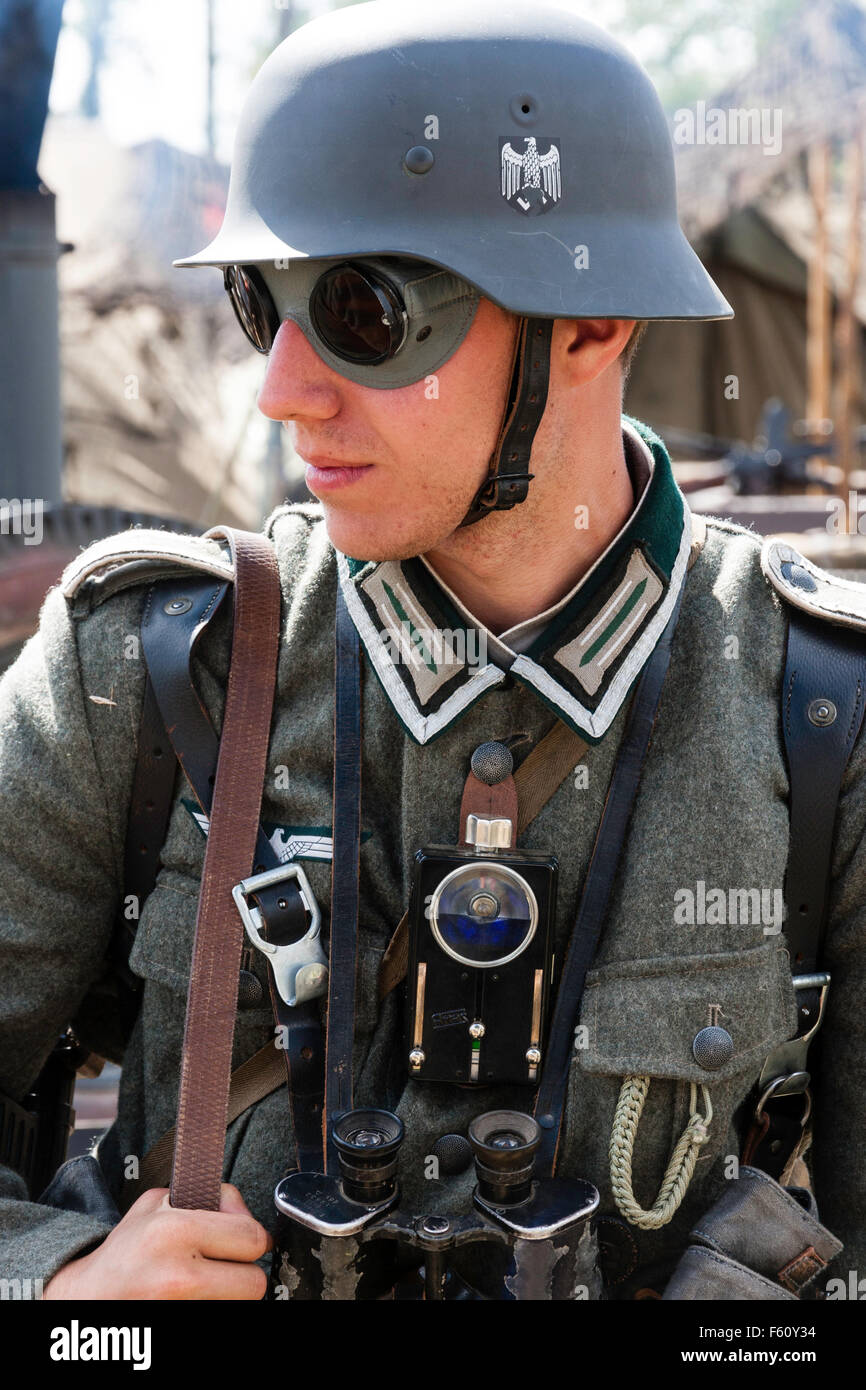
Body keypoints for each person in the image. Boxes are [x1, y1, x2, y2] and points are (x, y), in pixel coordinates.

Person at [1, 0, 861, 1301]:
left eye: (363, 308)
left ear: (588, 325)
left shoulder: (822, 719)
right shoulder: (139, 671)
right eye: (259, 301)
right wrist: (64, 1297)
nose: (281, 389)